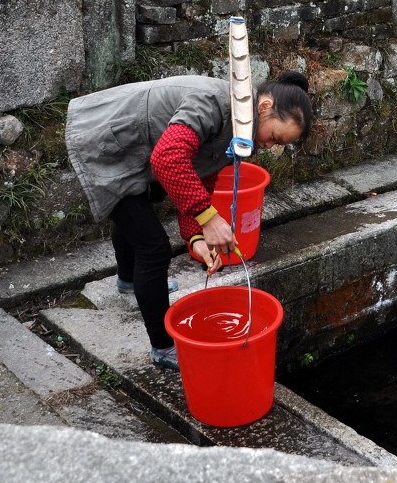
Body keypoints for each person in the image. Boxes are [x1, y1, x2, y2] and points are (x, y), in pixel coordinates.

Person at [64, 71, 313, 370]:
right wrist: (209, 219)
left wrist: (195, 237)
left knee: (135, 208)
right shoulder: (213, 103)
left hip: (133, 143)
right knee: (153, 247)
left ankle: (128, 280)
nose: (271, 146)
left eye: (278, 144)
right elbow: (168, 159)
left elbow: (201, 175)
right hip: (104, 138)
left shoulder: (239, 126)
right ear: (265, 106)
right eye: (274, 137)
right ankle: (162, 346)